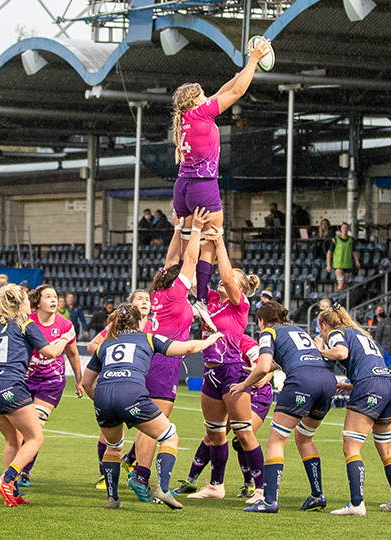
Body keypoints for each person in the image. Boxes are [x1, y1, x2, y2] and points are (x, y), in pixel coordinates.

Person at [82, 303, 223, 510]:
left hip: (103, 395)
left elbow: (86, 382)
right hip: (131, 393)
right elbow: (188, 348)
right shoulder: (148, 337)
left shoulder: (105, 344)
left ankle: (112, 499)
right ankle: (163, 490)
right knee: (169, 436)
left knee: (113, 447)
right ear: (140, 322)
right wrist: (211, 339)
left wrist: (103, 402)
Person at [171, 36, 272, 309]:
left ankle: (177, 288)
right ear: (195, 100)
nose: (208, 97)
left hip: (182, 187)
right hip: (203, 186)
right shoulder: (202, 113)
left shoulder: (186, 118)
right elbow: (237, 93)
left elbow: (226, 89)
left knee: (183, 241)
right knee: (211, 244)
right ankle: (201, 298)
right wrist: (253, 60)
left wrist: (247, 67)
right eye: (203, 95)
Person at [119, 208, 209, 503]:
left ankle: (138, 469)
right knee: (156, 424)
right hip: (163, 364)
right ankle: (141, 476)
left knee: (152, 422)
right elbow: (190, 261)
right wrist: (194, 230)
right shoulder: (173, 295)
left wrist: (177, 229)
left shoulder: (156, 294)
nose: (191, 279)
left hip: (146, 360)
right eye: (187, 278)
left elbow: (171, 261)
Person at [230, 301, 337, 513]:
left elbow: (262, 367)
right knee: (304, 438)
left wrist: (243, 384)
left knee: (277, 439)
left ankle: (269, 501)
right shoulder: (298, 329)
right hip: (327, 381)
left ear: (261, 320)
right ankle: (317, 495)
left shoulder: (268, 331)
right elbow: (278, 362)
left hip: (302, 381)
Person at [0, 284, 74, 507]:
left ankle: (12, 491)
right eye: (27, 300)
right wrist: (65, 339)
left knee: (13, 439)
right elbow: (49, 353)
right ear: (21, 304)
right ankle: (7, 480)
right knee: (35, 437)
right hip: (9, 385)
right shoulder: (25, 324)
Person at [183, 228, 263, 501]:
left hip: (231, 370)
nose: (220, 282)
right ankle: (216, 486)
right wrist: (199, 238)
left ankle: (261, 489)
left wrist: (219, 243)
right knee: (215, 433)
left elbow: (228, 277)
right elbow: (198, 275)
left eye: (227, 282)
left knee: (242, 431)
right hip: (211, 372)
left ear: (240, 288)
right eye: (218, 281)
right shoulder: (212, 301)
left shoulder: (240, 305)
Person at [315, 303, 391, 515]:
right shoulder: (361, 335)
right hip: (389, 386)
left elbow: (341, 352)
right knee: (387, 450)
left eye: (319, 329)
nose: (320, 333)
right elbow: (375, 364)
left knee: (351, 447)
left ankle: (356, 504)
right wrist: (351, 384)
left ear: (325, 325)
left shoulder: (338, 333)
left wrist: (321, 350)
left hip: (370, 386)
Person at [175, 333, 274, 499]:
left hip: (257, 395)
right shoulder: (214, 341)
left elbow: (266, 367)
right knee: (213, 434)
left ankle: (252, 486)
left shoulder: (244, 341)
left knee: (241, 436)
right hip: (232, 391)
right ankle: (192, 481)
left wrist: (263, 378)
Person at [15, 284, 84, 487]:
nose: (54, 300)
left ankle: (23, 471)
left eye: (55, 296)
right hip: (26, 380)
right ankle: (14, 468)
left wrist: (79, 380)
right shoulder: (27, 322)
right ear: (38, 302)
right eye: (48, 296)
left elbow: (72, 353)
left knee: (35, 426)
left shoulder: (65, 325)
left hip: (51, 381)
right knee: (20, 429)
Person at [88, 288, 155, 490]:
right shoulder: (116, 326)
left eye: (147, 299)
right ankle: (103, 475)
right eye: (140, 299)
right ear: (130, 305)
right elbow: (93, 346)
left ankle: (134, 466)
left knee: (147, 427)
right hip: (115, 381)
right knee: (109, 433)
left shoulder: (154, 326)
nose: (145, 302)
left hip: (140, 382)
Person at [326, 223, 360, 292]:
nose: (345, 229)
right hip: (338, 264)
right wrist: (328, 265)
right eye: (343, 228)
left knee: (345, 285)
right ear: (341, 229)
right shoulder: (336, 239)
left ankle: (343, 301)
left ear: (348, 229)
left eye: (346, 228)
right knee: (341, 283)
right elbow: (329, 252)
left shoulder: (351, 240)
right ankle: (337, 301)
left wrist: (357, 261)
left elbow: (354, 251)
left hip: (347, 265)